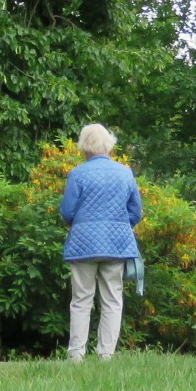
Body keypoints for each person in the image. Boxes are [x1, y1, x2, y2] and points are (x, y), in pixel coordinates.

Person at [59, 123, 142, 362]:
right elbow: (136, 211)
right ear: (108, 143)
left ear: (85, 146)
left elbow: (67, 211)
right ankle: (106, 354)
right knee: (112, 299)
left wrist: (83, 223)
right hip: (115, 244)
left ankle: (76, 354)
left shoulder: (77, 173)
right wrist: (118, 223)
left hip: (83, 244)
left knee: (81, 300)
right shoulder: (125, 173)